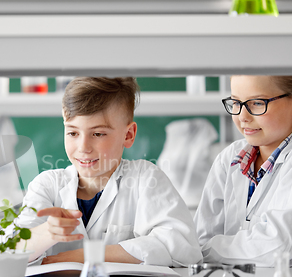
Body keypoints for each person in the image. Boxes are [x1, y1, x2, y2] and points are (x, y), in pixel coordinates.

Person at [16, 77, 202, 266]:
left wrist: (80, 257)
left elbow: (182, 248)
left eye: (98, 134)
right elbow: (9, 251)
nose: (83, 147)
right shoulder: (47, 185)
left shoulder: (145, 177)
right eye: (73, 133)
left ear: (128, 135)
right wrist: (47, 232)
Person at [194, 75, 292, 267]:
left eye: (257, 103)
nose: (242, 117)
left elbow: (277, 245)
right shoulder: (229, 158)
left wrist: (208, 250)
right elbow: (200, 236)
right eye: (236, 103)